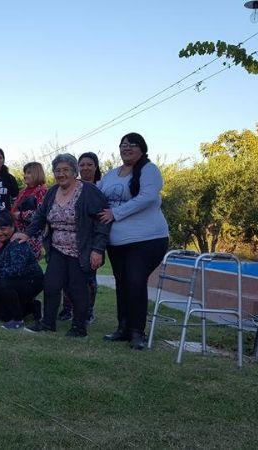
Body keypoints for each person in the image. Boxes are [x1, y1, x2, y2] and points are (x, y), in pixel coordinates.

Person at [17, 153, 110, 338]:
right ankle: (47, 323)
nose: (61, 174)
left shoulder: (89, 191)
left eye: (66, 170)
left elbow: (102, 222)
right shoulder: (52, 192)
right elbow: (41, 216)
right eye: (57, 170)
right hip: (57, 247)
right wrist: (26, 234)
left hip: (80, 249)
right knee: (51, 284)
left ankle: (78, 327)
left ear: (74, 172)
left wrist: (98, 249)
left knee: (77, 288)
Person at [98, 133, 169, 350]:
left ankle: (138, 332)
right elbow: (95, 193)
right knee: (122, 283)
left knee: (136, 281)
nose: (126, 148)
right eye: (123, 145)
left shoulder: (149, 170)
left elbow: (147, 196)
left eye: (132, 145)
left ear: (142, 148)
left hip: (147, 239)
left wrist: (116, 213)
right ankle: (123, 328)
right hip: (117, 242)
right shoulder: (111, 175)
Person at [58, 151, 104, 322]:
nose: (85, 168)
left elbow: (101, 217)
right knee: (66, 277)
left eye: (89, 164)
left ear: (96, 167)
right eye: (82, 164)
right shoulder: (70, 186)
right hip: (67, 243)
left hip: (89, 241)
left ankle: (87, 311)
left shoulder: (100, 187)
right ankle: (67, 309)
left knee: (88, 278)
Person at [0, 212, 44, 330]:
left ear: (12, 226)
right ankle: (33, 307)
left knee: (2, 284)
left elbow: (17, 269)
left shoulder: (18, 242)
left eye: (3, 229)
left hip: (31, 279)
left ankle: (17, 320)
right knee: (0, 314)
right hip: (13, 279)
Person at [10, 161, 47, 259]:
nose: (25, 175)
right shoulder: (23, 191)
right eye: (25, 173)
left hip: (32, 236)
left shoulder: (42, 191)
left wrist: (20, 215)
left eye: (29, 173)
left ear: (37, 174)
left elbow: (41, 214)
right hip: (18, 233)